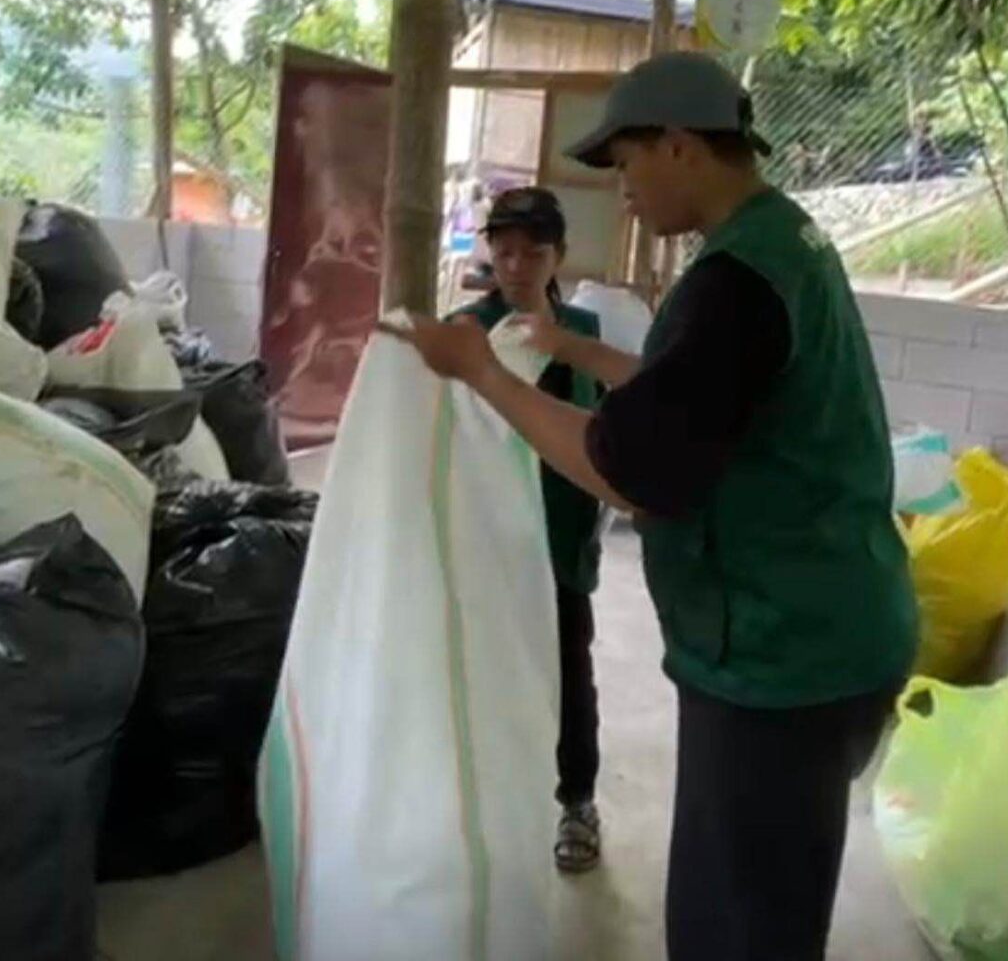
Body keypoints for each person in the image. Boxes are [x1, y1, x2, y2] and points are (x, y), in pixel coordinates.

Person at [381, 51, 918, 961]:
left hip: (780, 653)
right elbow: (695, 401)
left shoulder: (733, 282)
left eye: (627, 162)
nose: (622, 191)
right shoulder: (782, 240)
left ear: (677, 147)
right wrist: (564, 351)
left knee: (735, 923)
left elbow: (628, 469)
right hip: (836, 624)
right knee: (773, 894)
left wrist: (479, 370)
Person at [450, 186, 606, 874]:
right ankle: (477, 803)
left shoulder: (582, 337)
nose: (516, 266)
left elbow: (600, 436)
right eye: (504, 250)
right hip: (482, 533)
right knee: (478, 668)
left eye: (533, 252)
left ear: (558, 256)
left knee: (569, 668)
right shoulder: (463, 332)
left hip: (562, 535)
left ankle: (577, 801)